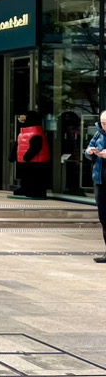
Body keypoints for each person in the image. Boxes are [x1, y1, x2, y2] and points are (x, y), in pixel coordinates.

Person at [11, 111, 50, 199]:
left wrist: (27, 156)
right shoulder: (23, 133)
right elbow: (17, 145)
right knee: (26, 176)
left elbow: (36, 147)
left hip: (37, 161)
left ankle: (37, 191)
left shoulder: (36, 133)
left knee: (36, 177)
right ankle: (25, 188)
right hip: (26, 161)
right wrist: (13, 155)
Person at [86, 111, 106, 263]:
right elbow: (88, 150)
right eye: (103, 123)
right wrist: (89, 152)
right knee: (104, 218)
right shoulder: (98, 134)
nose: (104, 126)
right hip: (100, 181)